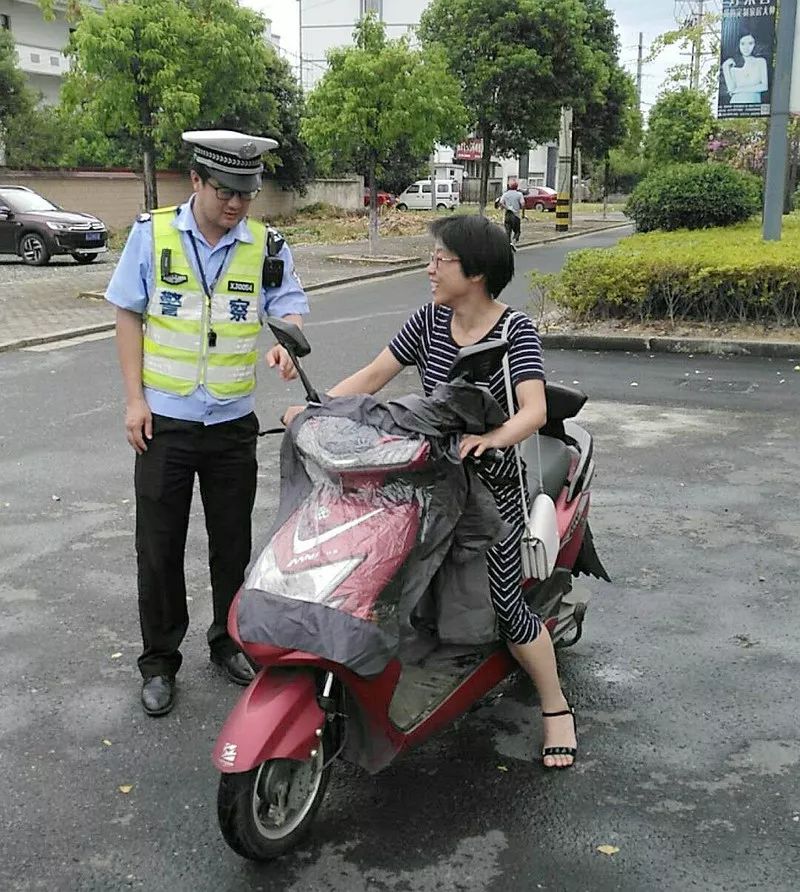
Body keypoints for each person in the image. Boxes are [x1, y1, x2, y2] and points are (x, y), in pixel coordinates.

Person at [283, 215, 577, 768]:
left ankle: (555, 706)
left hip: (491, 489)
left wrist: (491, 438)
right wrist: (318, 411)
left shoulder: (513, 331)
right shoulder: (429, 321)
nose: (430, 269)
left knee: (509, 609)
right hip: (427, 475)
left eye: (440, 260)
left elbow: (534, 410)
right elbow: (373, 377)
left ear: (477, 271)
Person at [106, 129, 310, 717]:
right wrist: (133, 399)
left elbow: (288, 305)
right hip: (163, 423)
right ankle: (159, 662)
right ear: (195, 181)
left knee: (232, 543)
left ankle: (228, 641)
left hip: (230, 425)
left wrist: (288, 346)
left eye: (246, 193)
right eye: (224, 190)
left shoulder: (266, 245)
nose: (236, 204)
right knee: (159, 547)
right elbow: (127, 314)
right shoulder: (154, 235)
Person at [722, 32, 769, 105]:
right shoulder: (734, 64)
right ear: (738, 45)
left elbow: (764, 86)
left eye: (750, 43)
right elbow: (731, 89)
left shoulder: (761, 61)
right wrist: (725, 67)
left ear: (755, 44)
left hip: (754, 106)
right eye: (743, 44)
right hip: (735, 104)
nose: (746, 48)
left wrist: (739, 90)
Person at [498, 178, 525, 250]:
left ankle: (507, 245)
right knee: (517, 231)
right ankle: (513, 242)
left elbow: (501, 203)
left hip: (507, 215)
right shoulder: (519, 194)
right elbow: (523, 204)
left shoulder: (505, 194)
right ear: (516, 186)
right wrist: (523, 213)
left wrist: (506, 207)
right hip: (516, 215)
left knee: (508, 231)